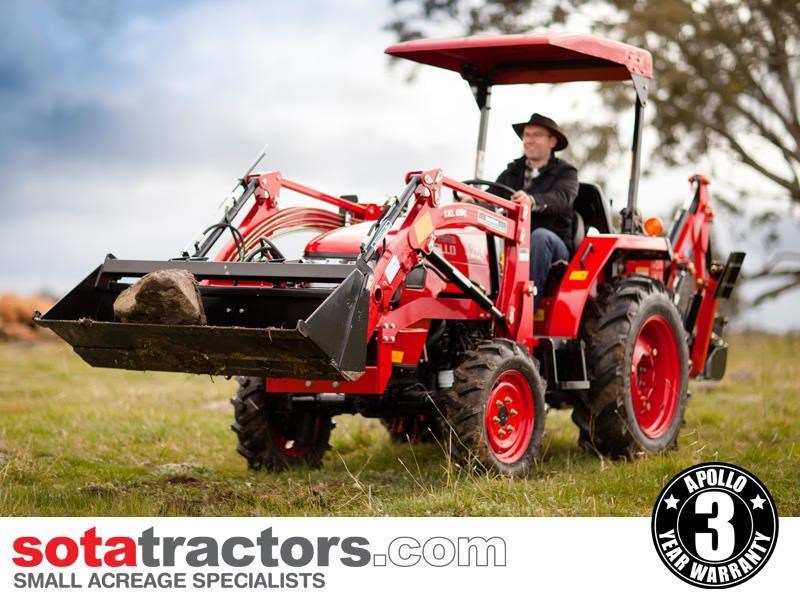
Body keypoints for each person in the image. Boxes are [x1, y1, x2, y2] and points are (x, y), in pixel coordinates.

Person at [495, 113, 579, 308]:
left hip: (554, 245)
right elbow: (492, 195)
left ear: (552, 141)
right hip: (514, 241)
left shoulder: (566, 173)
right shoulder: (512, 171)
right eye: (527, 135)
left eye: (537, 135)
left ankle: (525, 312)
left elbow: (561, 198)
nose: (529, 140)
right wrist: (471, 199)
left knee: (540, 237)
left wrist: (531, 200)